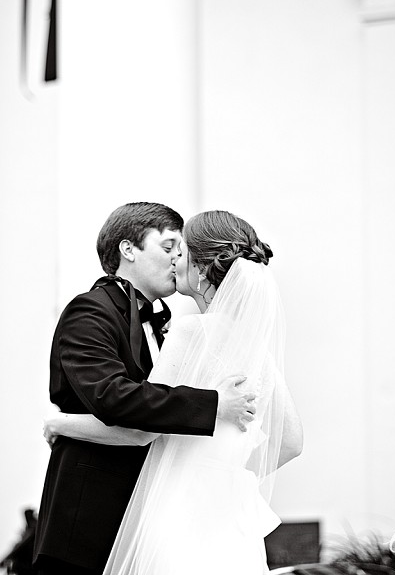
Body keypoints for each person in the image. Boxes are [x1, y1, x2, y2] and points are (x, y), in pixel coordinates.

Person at [44, 210, 304, 574]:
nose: (174, 258)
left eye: (180, 251)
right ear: (128, 250)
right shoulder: (257, 349)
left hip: (175, 513)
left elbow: (139, 431)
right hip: (227, 519)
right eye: (168, 247)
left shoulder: (189, 332)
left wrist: (60, 424)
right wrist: (223, 476)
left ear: (199, 269)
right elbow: (291, 442)